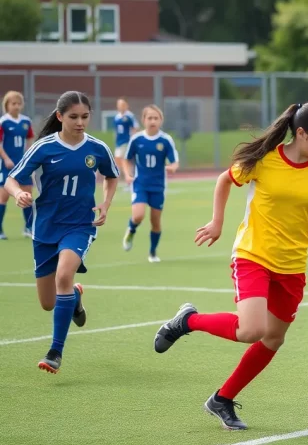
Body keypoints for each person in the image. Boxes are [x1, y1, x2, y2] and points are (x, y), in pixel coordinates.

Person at [152, 102, 308, 430]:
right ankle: (187, 321)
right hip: (253, 255)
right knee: (251, 330)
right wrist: (217, 222)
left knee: (273, 338)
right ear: (301, 133)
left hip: (292, 267)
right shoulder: (264, 160)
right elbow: (224, 180)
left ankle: (221, 400)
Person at [3, 91, 119, 374]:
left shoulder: (96, 148)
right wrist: (18, 193)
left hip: (80, 226)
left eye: (85, 117)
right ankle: (75, 298)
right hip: (44, 229)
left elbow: (112, 176)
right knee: (47, 303)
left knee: (64, 275)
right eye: (73, 117)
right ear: (59, 117)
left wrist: (105, 203)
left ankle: (55, 351)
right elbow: (11, 179)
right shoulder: (44, 148)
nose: (80, 122)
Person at [121, 105, 179, 262]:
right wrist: (127, 174)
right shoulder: (137, 139)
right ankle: (131, 230)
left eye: (156, 118)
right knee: (138, 215)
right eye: (149, 118)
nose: (152, 121)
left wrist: (172, 167)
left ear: (161, 120)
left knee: (155, 221)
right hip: (140, 184)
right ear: (143, 120)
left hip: (158, 186)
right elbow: (127, 159)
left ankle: (152, 252)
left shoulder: (165, 140)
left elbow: (174, 162)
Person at [0, 91, 35, 239]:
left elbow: (30, 139)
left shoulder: (26, 121)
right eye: (13, 104)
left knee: (27, 194)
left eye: (19, 104)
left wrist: (30, 156)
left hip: (23, 164)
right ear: (7, 105)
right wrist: (6, 158)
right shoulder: (3, 122)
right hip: (7, 165)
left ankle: (29, 227)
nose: (16, 106)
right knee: (3, 196)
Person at [113, 98, 136, 184]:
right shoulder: (116, 117)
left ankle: (129, 179)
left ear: (126, 105)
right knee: (118, 161)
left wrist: (133, 141)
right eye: (119, 105)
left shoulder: (129, 116)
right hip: (119, 142)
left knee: (125, 160)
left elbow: (134, 128)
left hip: (126, 141)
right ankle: (126, 177)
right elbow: (116, 131)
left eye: (122, 105)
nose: (120, 107)